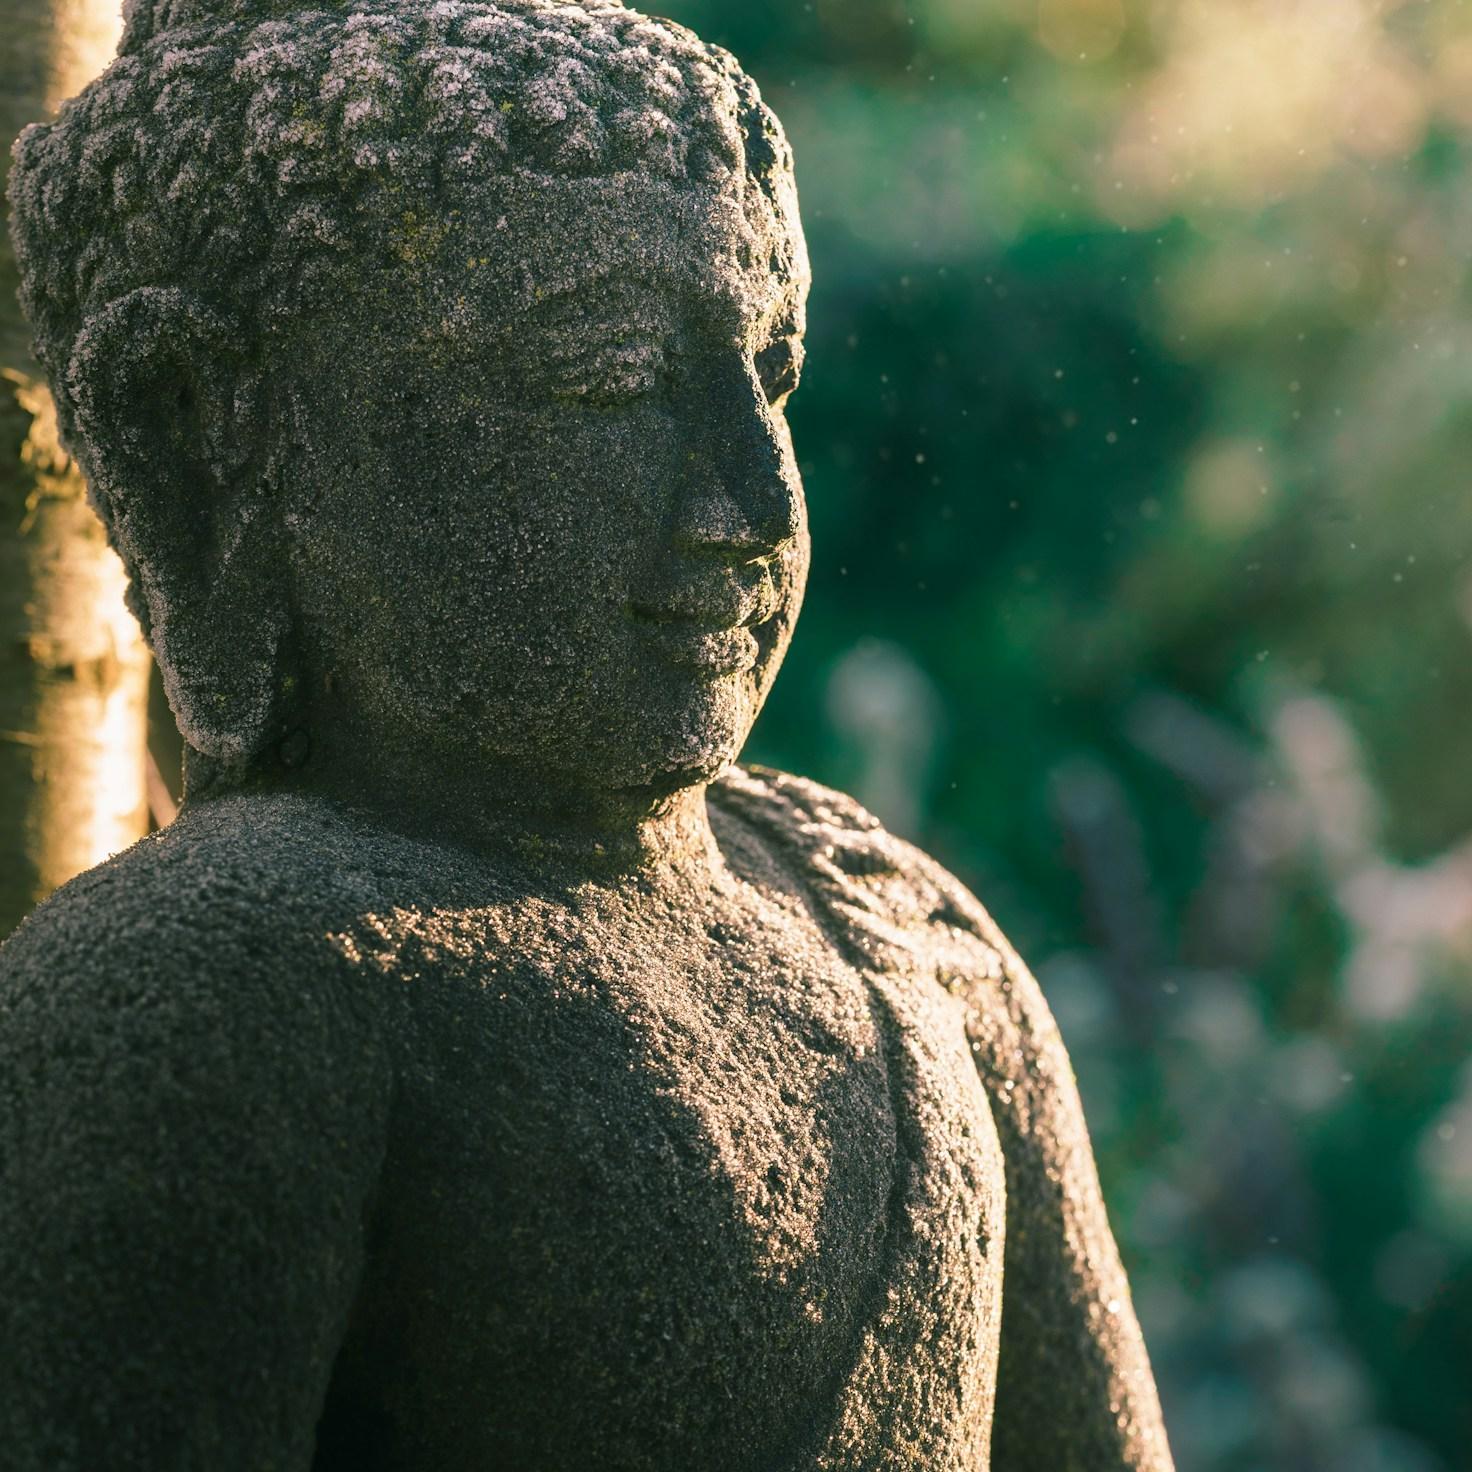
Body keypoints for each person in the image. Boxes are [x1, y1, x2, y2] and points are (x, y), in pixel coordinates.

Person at [1, 1, 1174, 1466]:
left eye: (771, 375)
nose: (750, 507)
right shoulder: (203, 988)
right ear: (192, 428)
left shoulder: (909, 936)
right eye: (607, 376)